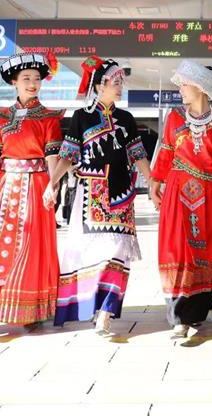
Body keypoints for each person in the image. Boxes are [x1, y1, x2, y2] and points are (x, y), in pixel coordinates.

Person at [50, 57, 152, 335]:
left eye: (121, 82)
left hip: (122, 194)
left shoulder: (126, 119)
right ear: (99, 85)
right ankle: (90, 305)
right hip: (89, 196)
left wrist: (152, 180)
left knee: (118, 252)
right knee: (90, 253)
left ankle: (106, 311)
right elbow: (68, 155)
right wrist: (52, 183)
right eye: (114, 82)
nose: (120, 87)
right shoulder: (81, 117)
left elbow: (137, 153)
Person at [149, 60, 212, 338]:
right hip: (178, 191)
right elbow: (165, 152)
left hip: (209, 193)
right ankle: (179, 316)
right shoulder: (175, 118)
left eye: (184, 85)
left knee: (205, 250)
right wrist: (155, 181)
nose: (180, 90)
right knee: (178, 250)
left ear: (200, 87)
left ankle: (197, 312)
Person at [0, 53, 63, 334]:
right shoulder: (1, 117)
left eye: (37, 78)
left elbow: (52, 155)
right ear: (13, 82)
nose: (33, 83)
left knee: (32, 247)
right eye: (26, 78)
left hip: (37, 185)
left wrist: (53, 185)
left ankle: (31, 309)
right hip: (6, 186)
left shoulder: (49, 118)